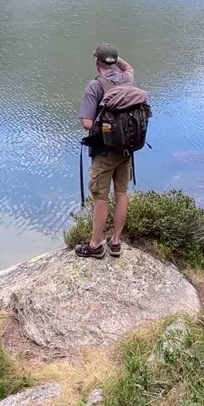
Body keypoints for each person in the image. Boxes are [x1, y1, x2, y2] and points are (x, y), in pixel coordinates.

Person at [75, 43, 134, 259]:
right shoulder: (128, 79)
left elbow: (87, 123)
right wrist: (115, 58)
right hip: (127, 150)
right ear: (115, 61)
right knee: (121, 194)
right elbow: (128, 66)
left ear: (96, 62)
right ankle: (116, 242)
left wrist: (100, 125)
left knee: (101, 198)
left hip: (104, 152)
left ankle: (95, 246)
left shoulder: (96, 86)